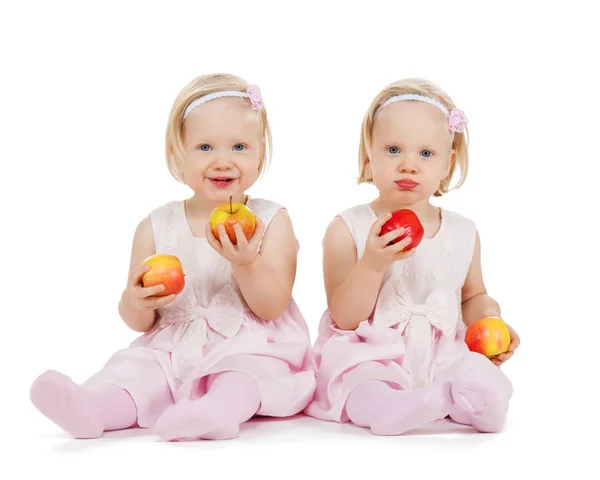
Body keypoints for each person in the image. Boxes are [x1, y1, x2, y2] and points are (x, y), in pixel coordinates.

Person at [30, 73, 317, 441]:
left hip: (249, 344)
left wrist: (246, 262)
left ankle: (215, 413)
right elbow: (139, 322)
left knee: (242, 375)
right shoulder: (156, 225)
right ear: (177, 154)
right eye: (205, 148)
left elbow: (271, 306)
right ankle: (93, 408)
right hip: (173, 346)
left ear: (261, 151)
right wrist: (134, 300)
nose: (223, 161)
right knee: (136, 370)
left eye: (240, 147)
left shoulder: (271, 220)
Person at [305, 78, 520, 435]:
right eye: (392, 150)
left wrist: (491, 319)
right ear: (367, 156)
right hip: (372, 352)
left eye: (425, 153)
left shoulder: (462, 231)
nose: (408, 165)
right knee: (361, 383)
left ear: (447, 163)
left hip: (441, 353)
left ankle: (469, 402)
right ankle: (391, 408)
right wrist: (372, 264)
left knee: (478, 376)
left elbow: (473, 296)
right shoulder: (348, 228)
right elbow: (344, 317)